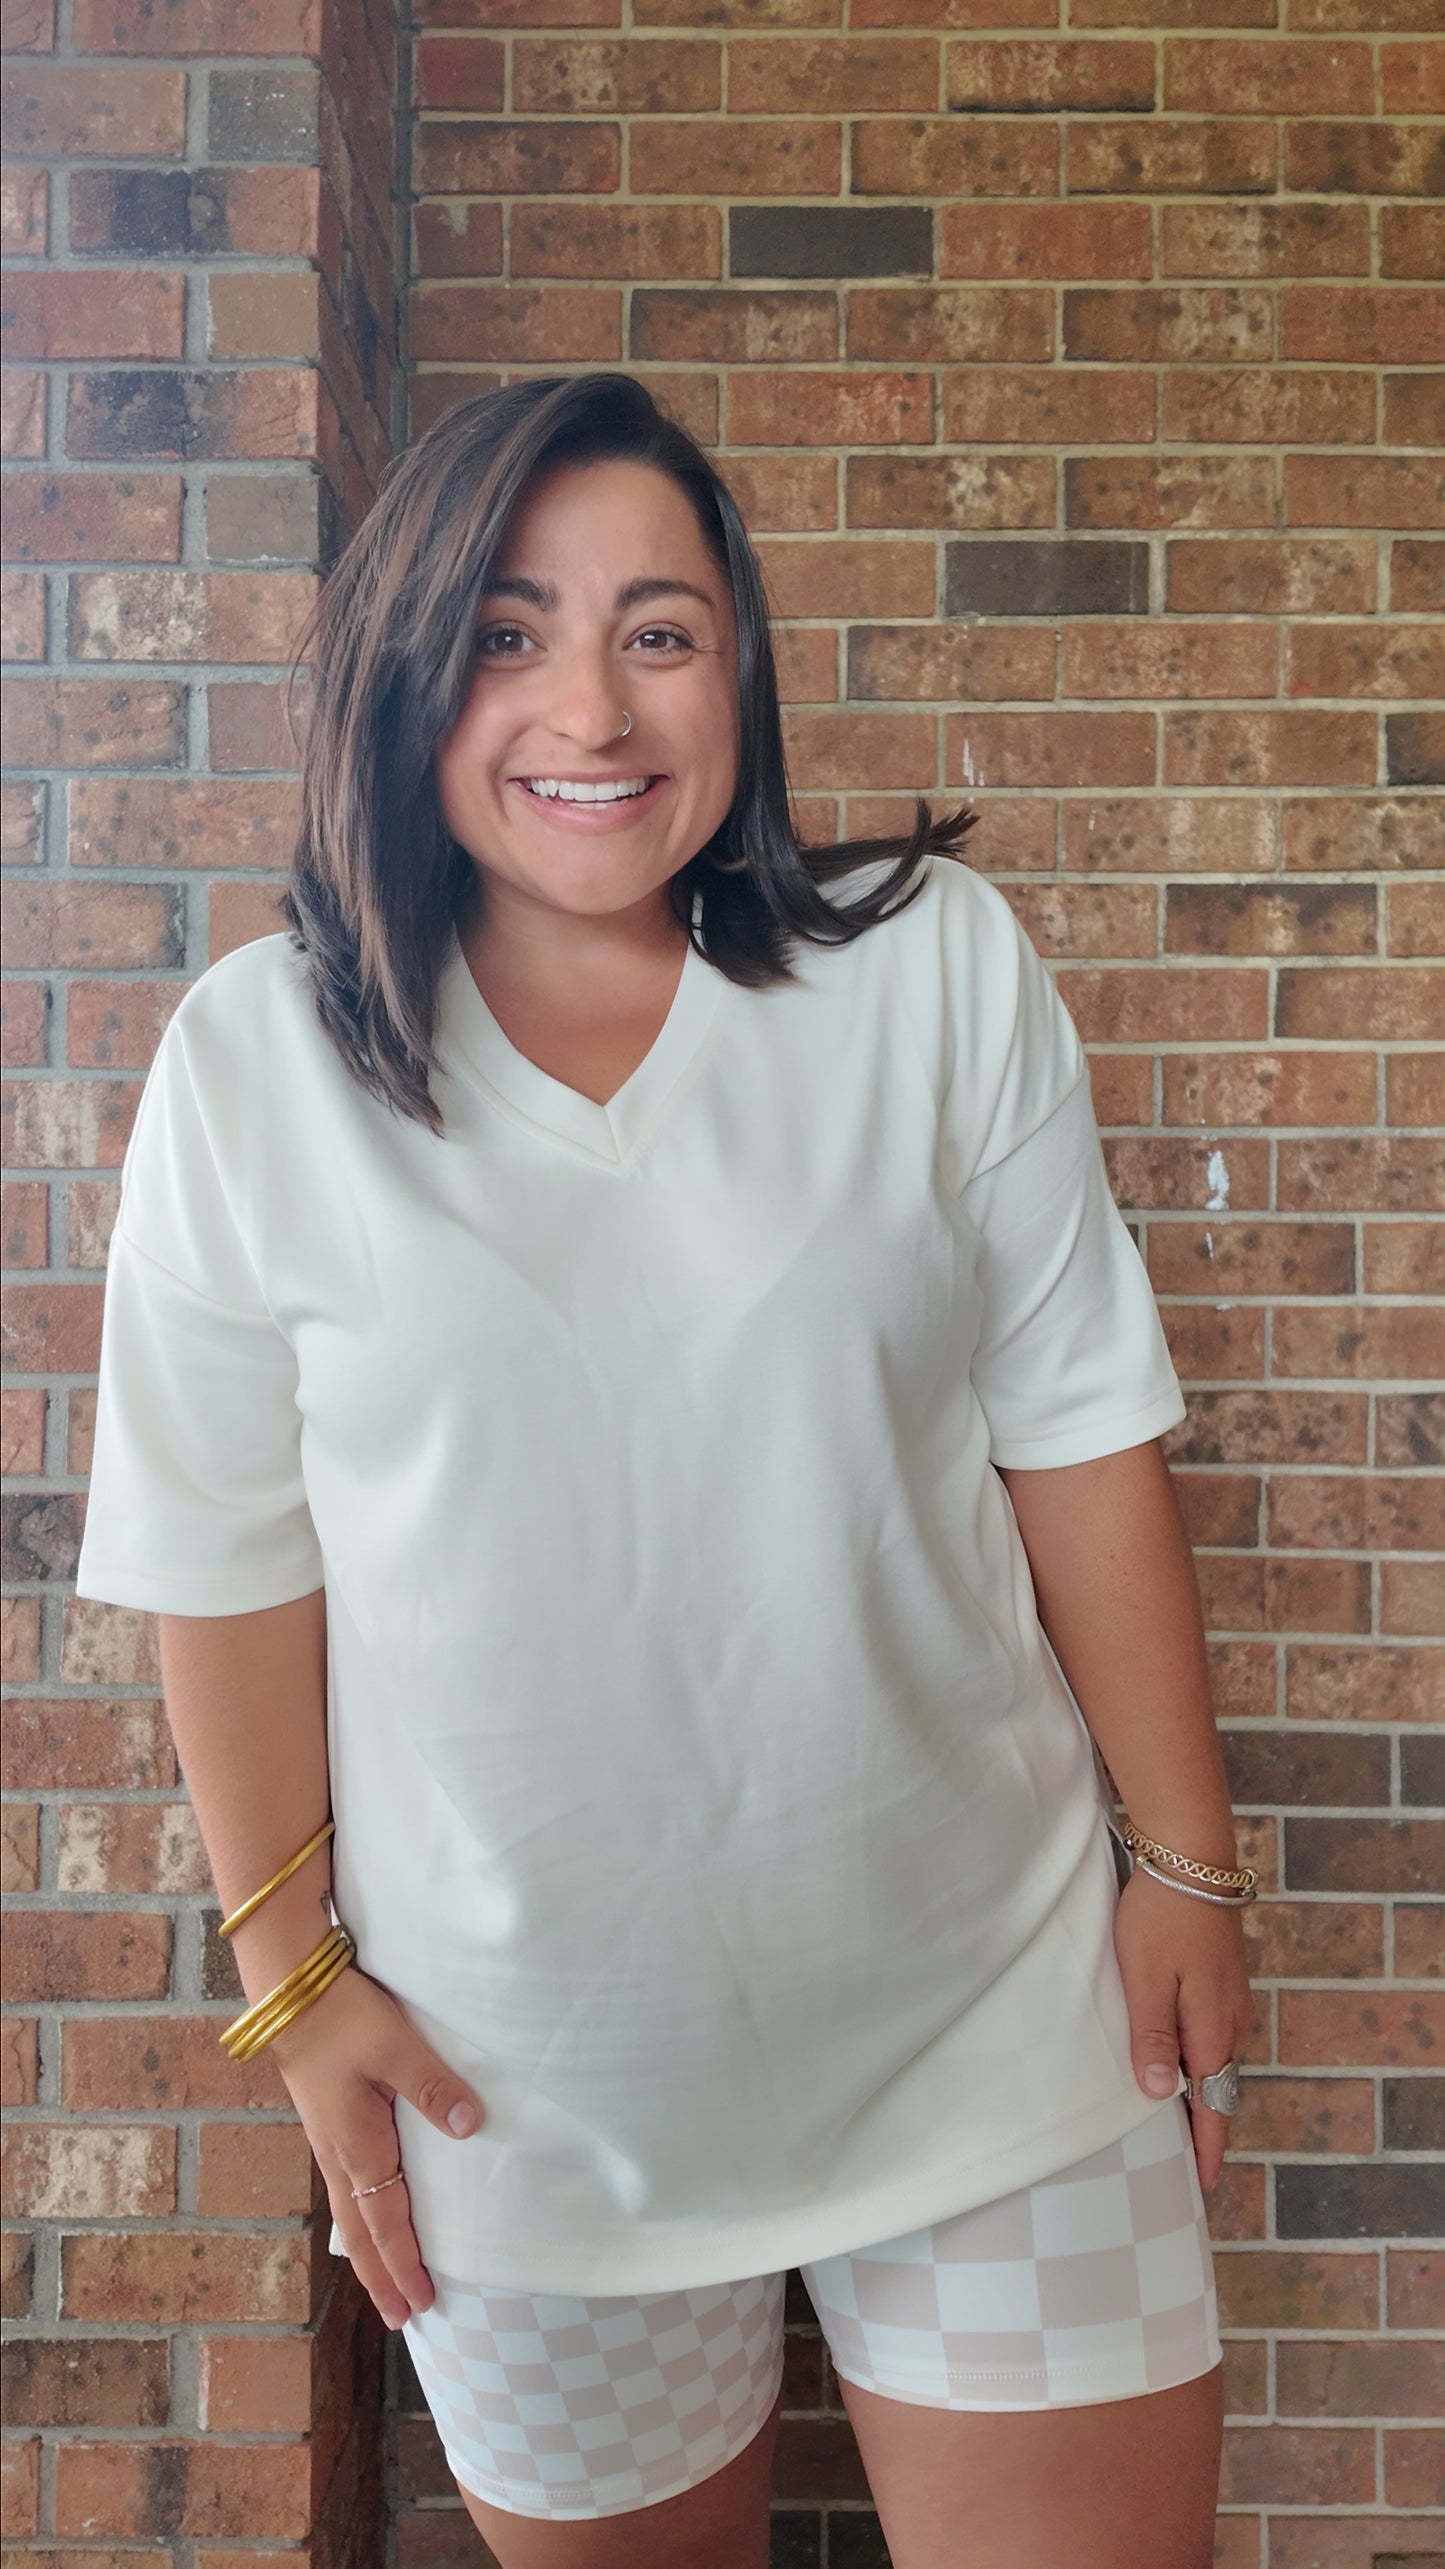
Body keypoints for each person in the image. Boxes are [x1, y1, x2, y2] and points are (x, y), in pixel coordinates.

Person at [75, 370, 1254, 2569]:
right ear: (404, 676)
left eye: (660, 630)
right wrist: (298, 1988)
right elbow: (222, 1560)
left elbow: (1078, 1424)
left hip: (999, 2030)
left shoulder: (930, 970)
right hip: (521, 2094)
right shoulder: (258, 1066)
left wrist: (1186, 1861)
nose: (592, 709)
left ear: (739, 668)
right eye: (507, 634)